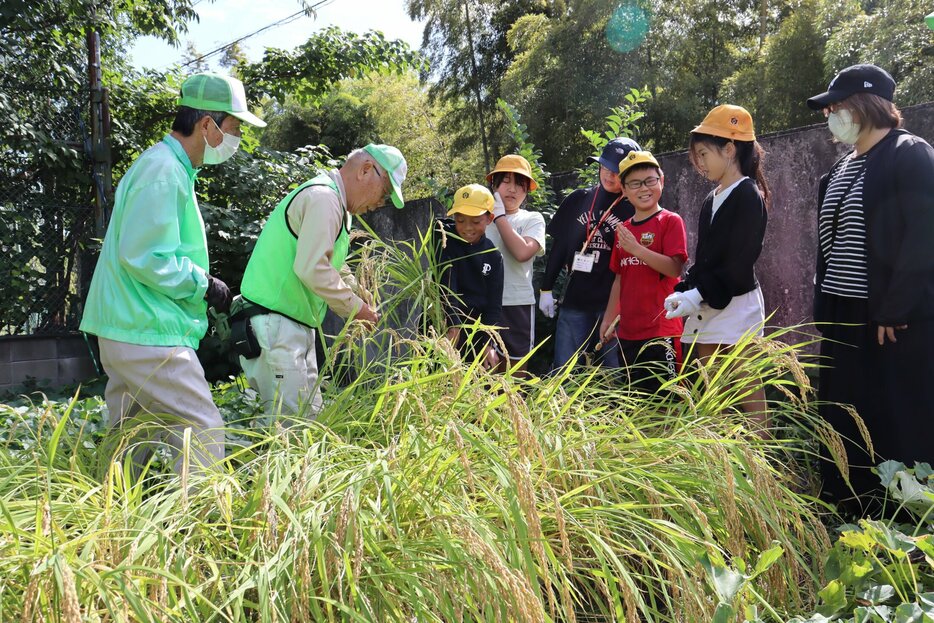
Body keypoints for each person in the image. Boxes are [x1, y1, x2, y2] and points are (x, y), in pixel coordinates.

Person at [80, 72, 266, 475]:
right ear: (206, 125)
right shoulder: (163, 170)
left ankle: (108, 523)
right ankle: (194, 527)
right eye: (233, 128)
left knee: (131, 440)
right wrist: (204, 285)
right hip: (148, 331)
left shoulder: (167, 168)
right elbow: (146, 256)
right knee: (202, 427)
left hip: (128, 327)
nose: (235, 139)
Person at [807, 64, 934, 511]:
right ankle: (848, 505)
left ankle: (906, 520)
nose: (832, 116)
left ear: (866, 105)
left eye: (837, 107)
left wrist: (894, 308)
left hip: (889, 321)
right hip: (842, 317)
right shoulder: (843, 165)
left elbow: (924, 236)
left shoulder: (909, 153)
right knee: (842, 415)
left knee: (896, 419)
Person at [233, 144, 406, 417]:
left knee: (308, 421)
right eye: (384, 193)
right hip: (277, 326)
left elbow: (329, 264)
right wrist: (355, 309)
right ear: (365, 170)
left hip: (293, 327)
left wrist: (358, 291)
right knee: (289, 430)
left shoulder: (334, 203)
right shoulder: (323, 198)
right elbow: (312, 268)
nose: (378, 204)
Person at [664, 104, 770, 427]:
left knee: (746, 384)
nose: (700, 163)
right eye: (696, 156)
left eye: (704, 154)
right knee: (713, 389)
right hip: (710, 301)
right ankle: (720, 460)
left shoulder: (749, 195)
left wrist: (698, 295)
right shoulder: (712, 197)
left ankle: (762, 462)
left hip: (737, 303)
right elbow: (705, 256)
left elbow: (739, 261)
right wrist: (684, 290)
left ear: (729, 149)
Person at [541, 138, 640, 370]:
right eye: (605, 167)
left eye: (616, 170)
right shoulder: (578, 199)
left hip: (615, 307)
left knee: (615, 372)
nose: (609, 174)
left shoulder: (635, 208)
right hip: (576, 301)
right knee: (564, 371)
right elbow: (560, 247)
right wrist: (546, 287)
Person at [600, 151, 687, 393]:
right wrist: (608, 320)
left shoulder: (670, 221)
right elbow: (619, 277)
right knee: (636, 403)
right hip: (628, 332)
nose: (644, 188)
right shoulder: (623, 229)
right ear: (624, 191)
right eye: (635, 184)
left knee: (667, 404)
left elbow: (674, 267)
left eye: (650, 180)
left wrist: (637, 249)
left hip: (662, 331)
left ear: (662, 180)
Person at [485, 155, 546, 374]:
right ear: (494, 185)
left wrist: (499, 217)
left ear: (527, 191)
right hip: (482, 304)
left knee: (516, 371)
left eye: (520, 184)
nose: (512, 189)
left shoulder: (532, 219)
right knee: (484, 372)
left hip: (517, 303)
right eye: (506, 181)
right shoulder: (479, 220)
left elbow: (522, 252)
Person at [433, 183, 504, 369]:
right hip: (442, 326)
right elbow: (447, 285)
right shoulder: (443, 240)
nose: (467, 228)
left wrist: (489, 343)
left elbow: (494, 305)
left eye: (475, 221)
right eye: (460, 220)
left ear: (490, 218)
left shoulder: (493, 256)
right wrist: (453, 325)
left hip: (475, 333)